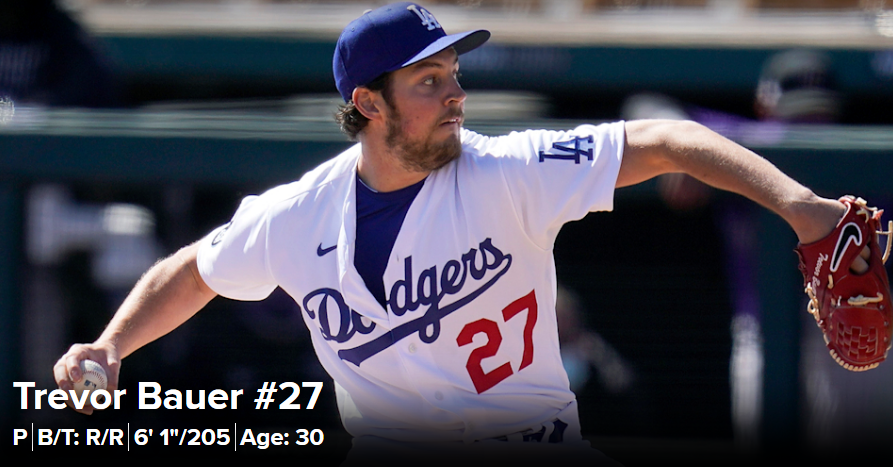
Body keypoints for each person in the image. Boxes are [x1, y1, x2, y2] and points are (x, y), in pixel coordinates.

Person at [53, 1, 863, 463]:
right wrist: (112, 344)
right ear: (367, 103)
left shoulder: (506, 169)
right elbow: (193, 268)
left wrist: (803, 208)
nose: (454, 94)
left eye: (454, 75)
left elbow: (666, 141)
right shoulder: (297, 214)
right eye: (428, 80)